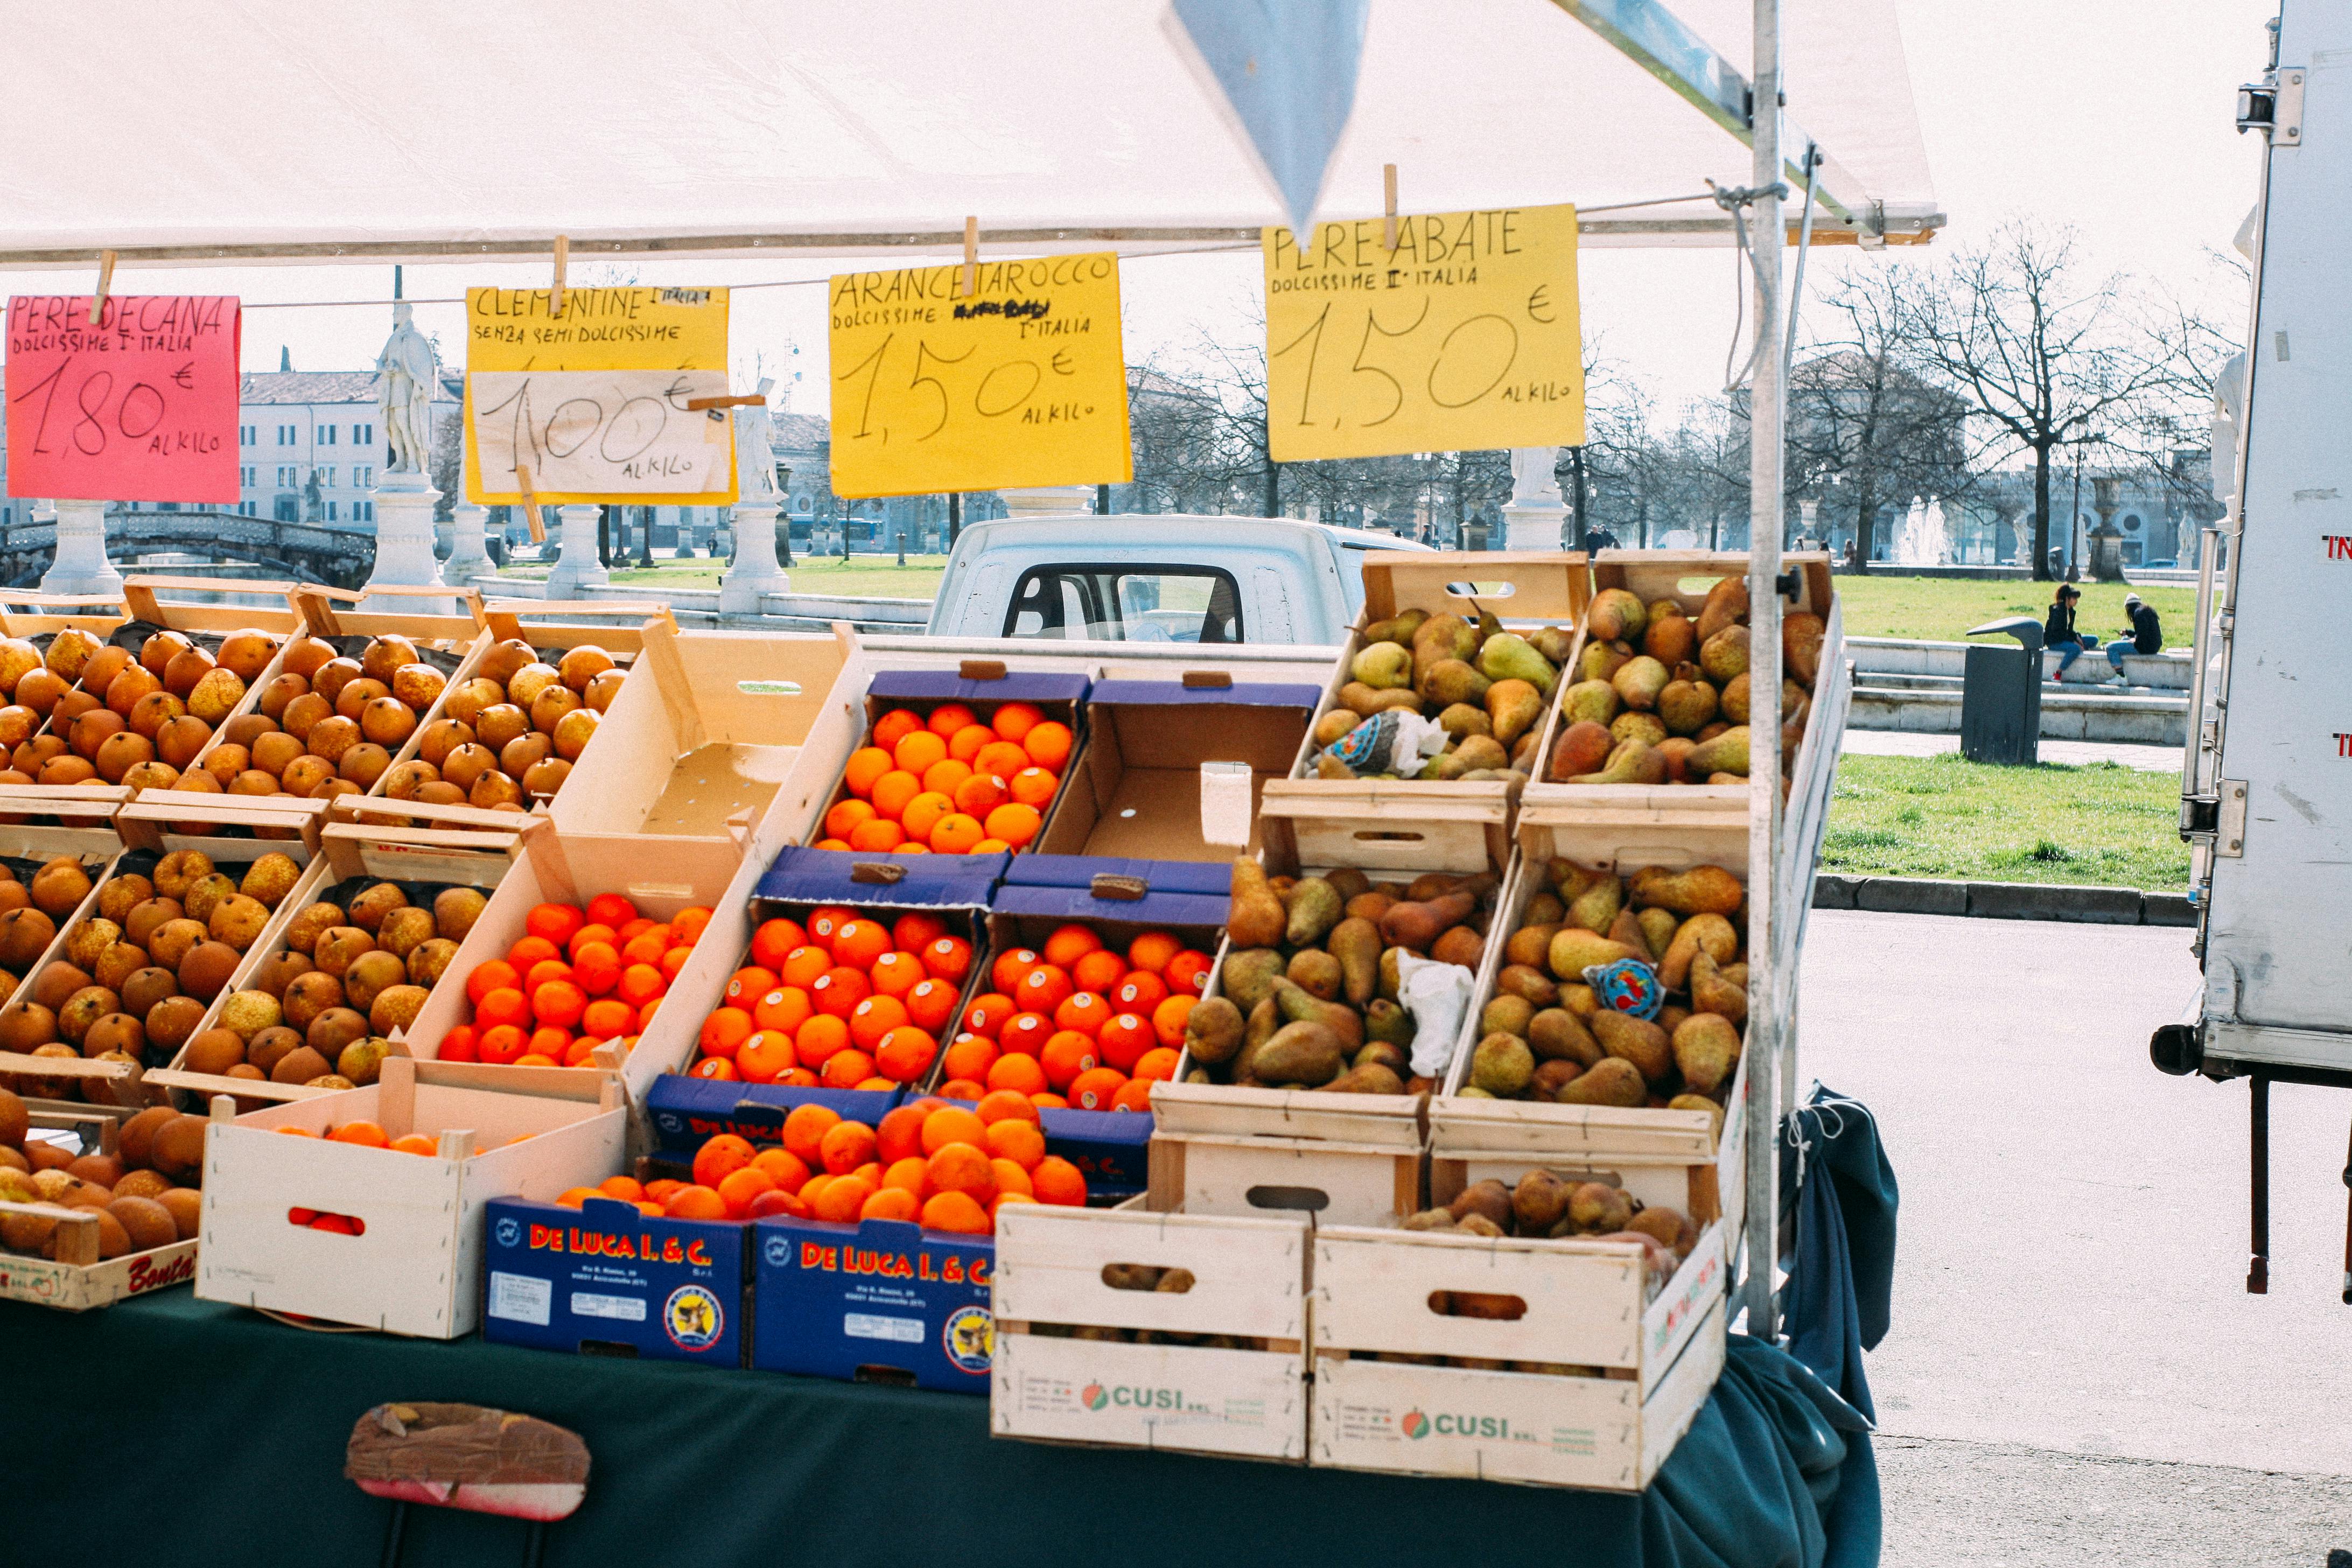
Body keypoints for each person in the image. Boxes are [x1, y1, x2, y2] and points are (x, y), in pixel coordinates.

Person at [2106, 592, 2162, 680]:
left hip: (2145, 648)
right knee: (2124, 639)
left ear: (2128, 607)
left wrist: (2135, 640)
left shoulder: (2138, 614)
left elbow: (2142, 635)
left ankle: (2121, 677)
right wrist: (2128, 633)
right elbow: (2144, 631)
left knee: (2111, 648)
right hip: (2154, 647)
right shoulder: (2146, 611)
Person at [2043, 584, 2095, 680]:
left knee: (2093, 640)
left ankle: (2080, 648)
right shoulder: (2058, 610)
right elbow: (2058, 633)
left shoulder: (2070, 611)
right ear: (2067, 598)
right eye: (2074, 598)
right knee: (2075, 649)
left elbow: (2069, 630)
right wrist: (2074, 642)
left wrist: (2076, 637)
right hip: (2055, 641)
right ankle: (2058, 673)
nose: (2076, 601)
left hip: (2065, 638)